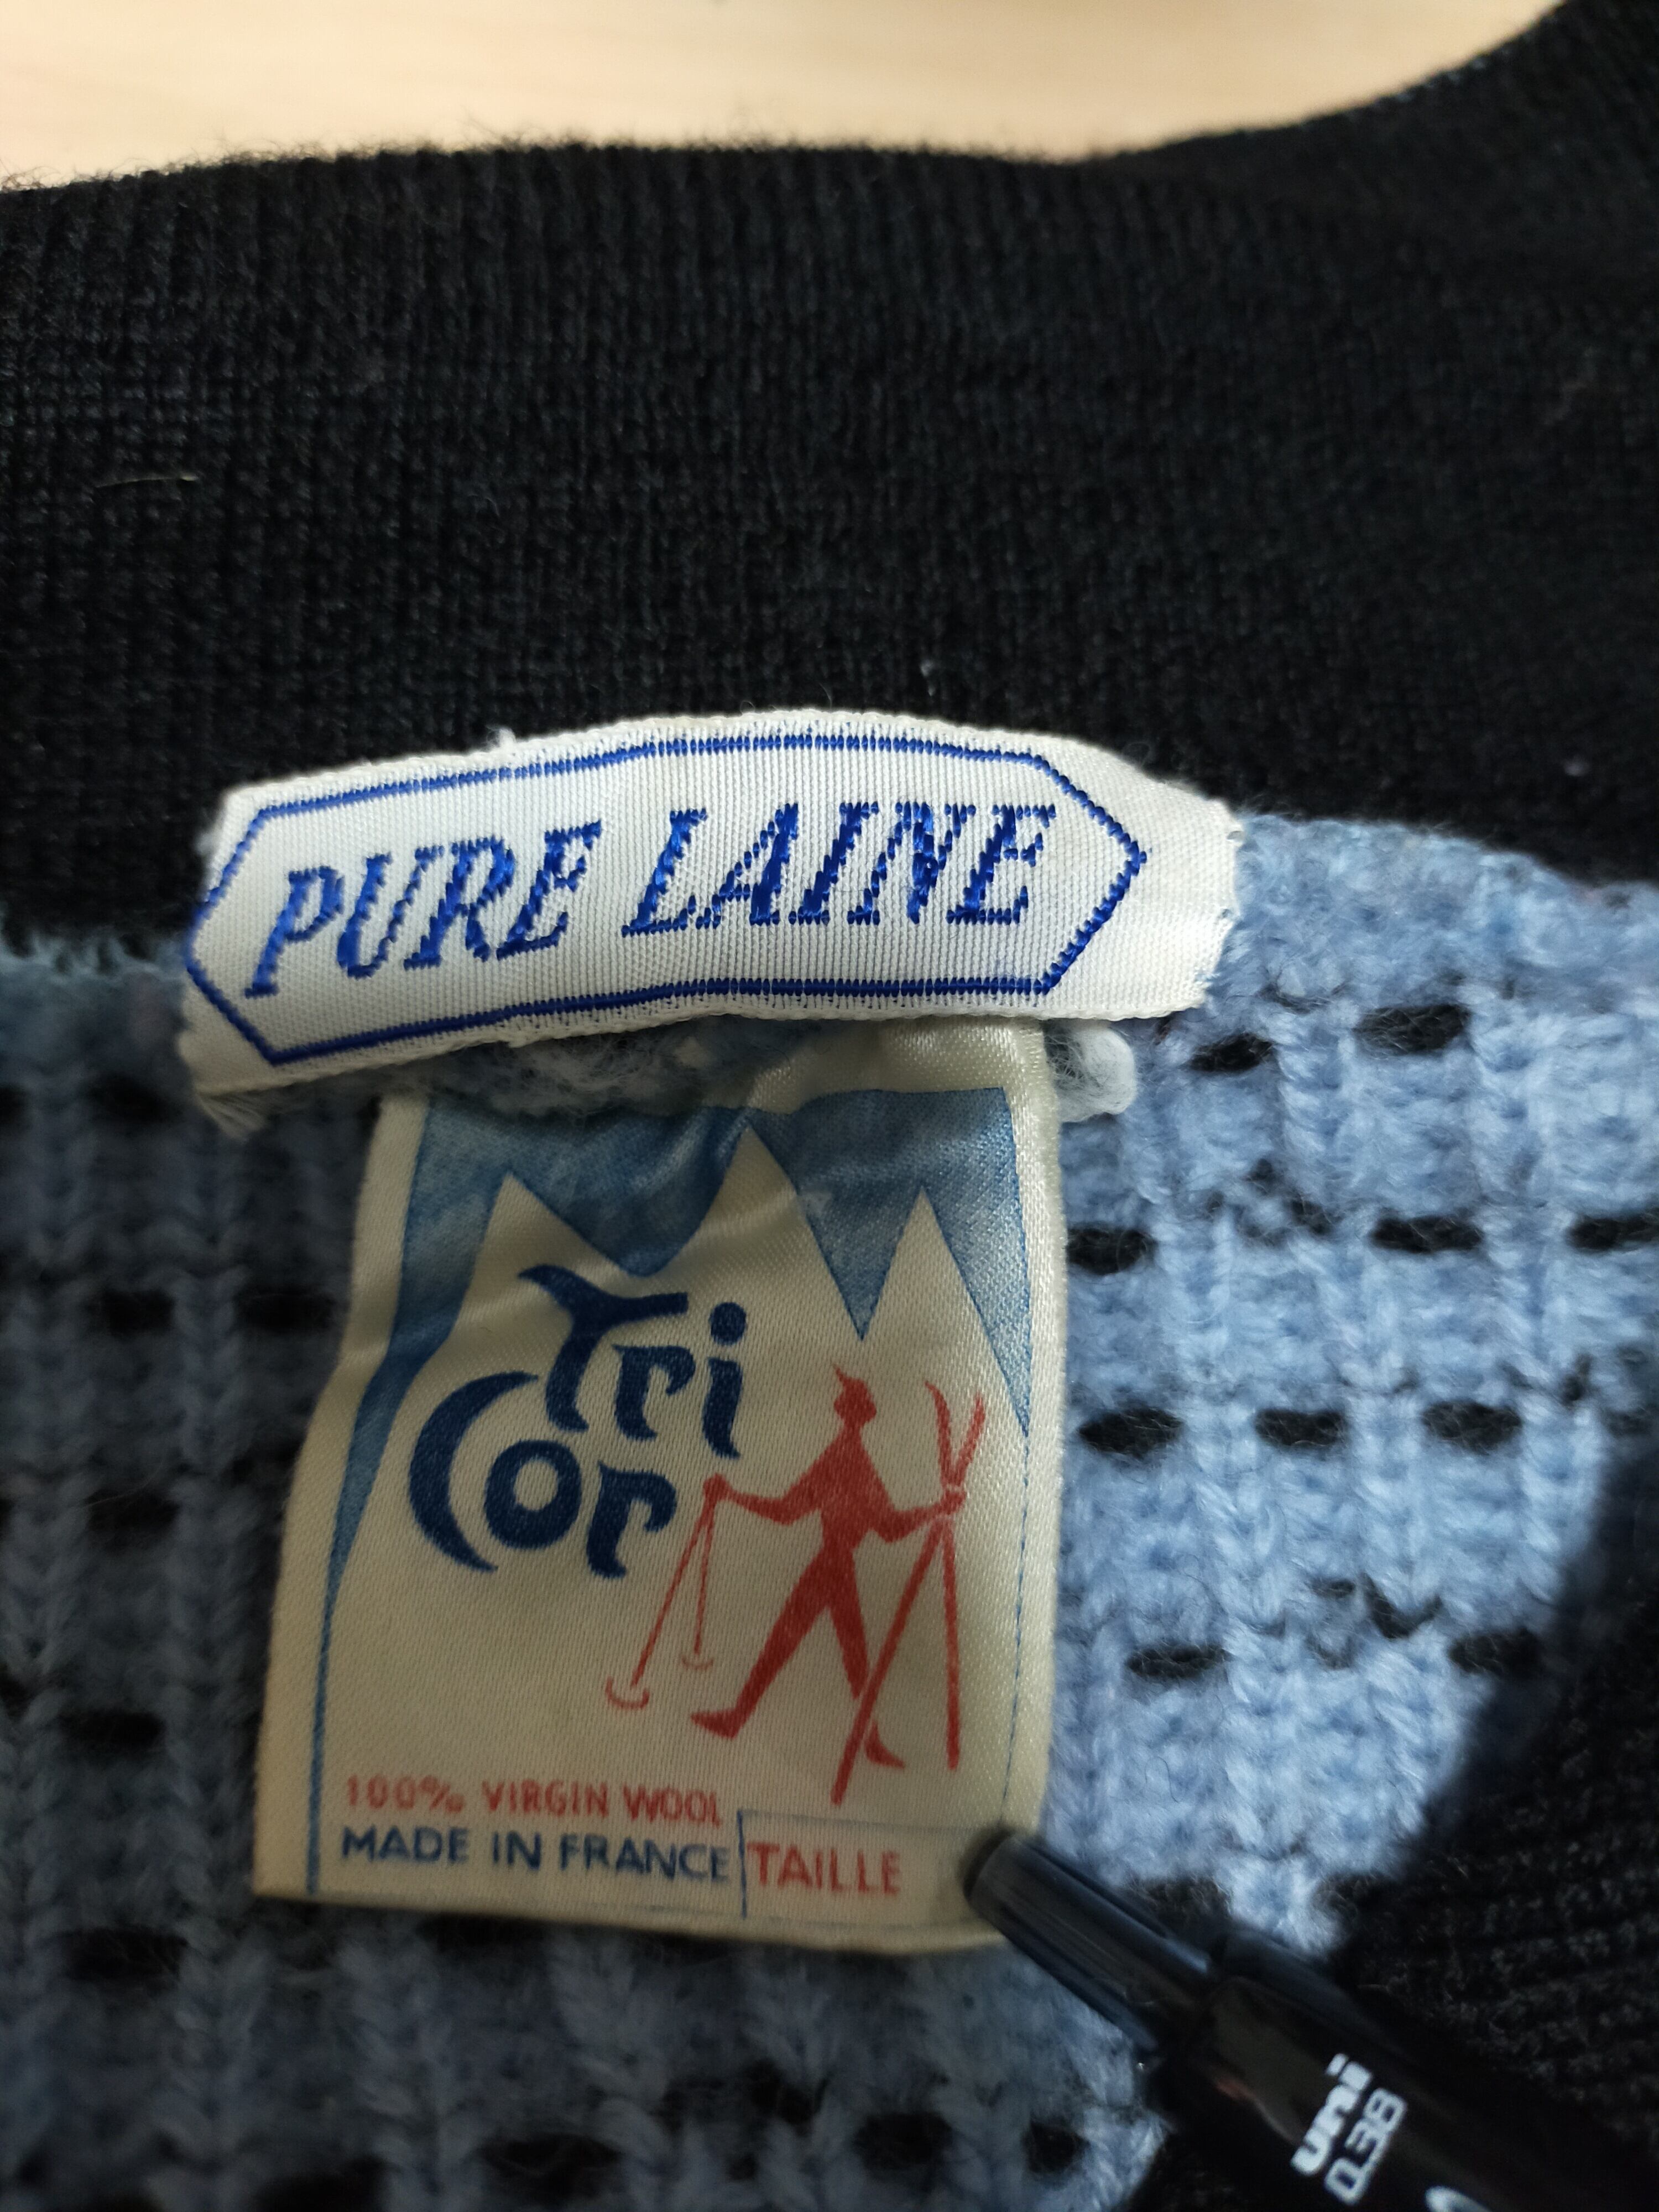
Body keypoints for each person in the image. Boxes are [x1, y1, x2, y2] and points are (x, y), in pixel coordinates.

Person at [691, 1369, 963, 1762]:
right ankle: (866, 1741)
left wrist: (937, 1509)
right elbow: (884, 1527)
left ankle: (743, 1720)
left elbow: (874, 1525)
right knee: (839, 1654)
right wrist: (936, 1509)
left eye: (845, 1401)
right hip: (836, 1566)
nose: (840, 1406)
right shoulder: (846, 1458)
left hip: (832, 1567)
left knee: (794, 1646)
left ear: (849, 1412)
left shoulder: (847, 1460)